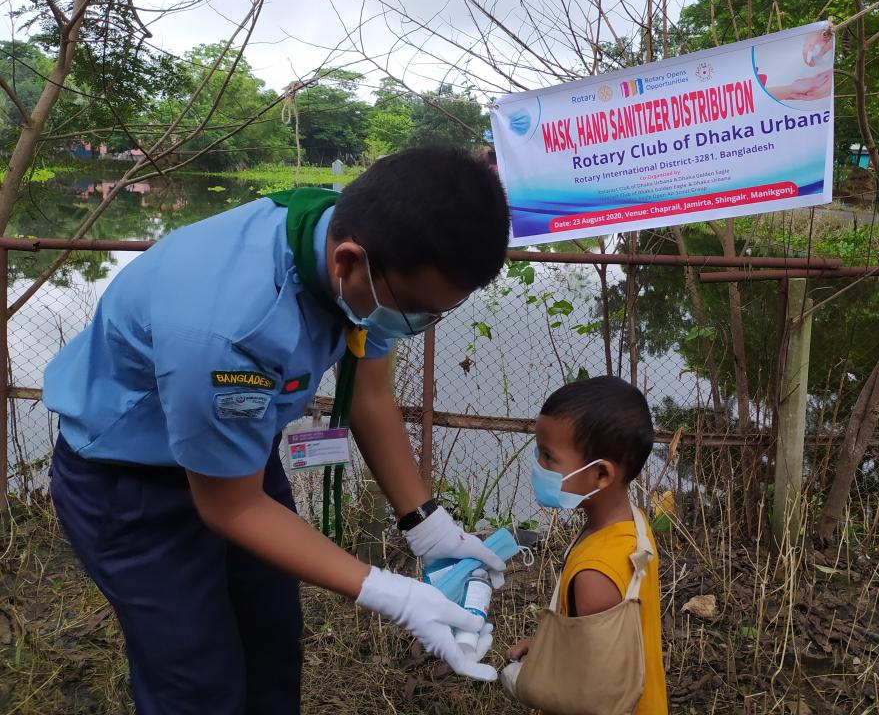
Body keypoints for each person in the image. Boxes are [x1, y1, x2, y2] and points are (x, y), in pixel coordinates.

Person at [44, 146, 512, 714]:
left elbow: (368, 392)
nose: (417, 324)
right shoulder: (227, 331)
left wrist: (427, 525)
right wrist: (393, 594)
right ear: (347, 262)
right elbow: (231, 508)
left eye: (435, 313)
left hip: (239, 458)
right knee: (196, 682)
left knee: (271, 649)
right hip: (133, 484)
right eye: (415, 309)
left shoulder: (365, 241)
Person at [507, 376, 668, 714]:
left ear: (601, 475)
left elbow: (589, 688)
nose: (539, 466)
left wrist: (533, 671)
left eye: (549, 457)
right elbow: (600, 646)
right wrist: (543, 647)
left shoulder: (594, 577)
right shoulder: (632, 526)